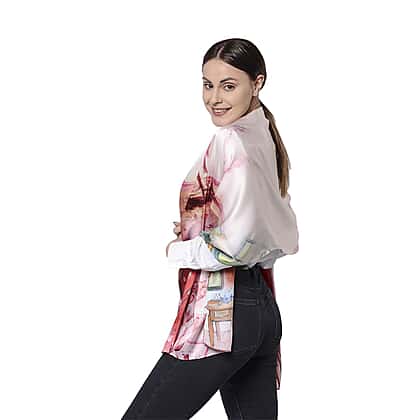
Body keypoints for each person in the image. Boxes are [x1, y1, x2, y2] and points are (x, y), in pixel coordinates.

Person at [121, 37, 299, 420]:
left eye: (228, 86)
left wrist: (179, 250)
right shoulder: (262, 133)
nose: (214, 98)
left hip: (224, 309)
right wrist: (202, 229)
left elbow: (237, 244)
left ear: (257, 83)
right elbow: (275, 232)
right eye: (208, 84)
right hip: (260, 312)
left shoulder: (231, 140)